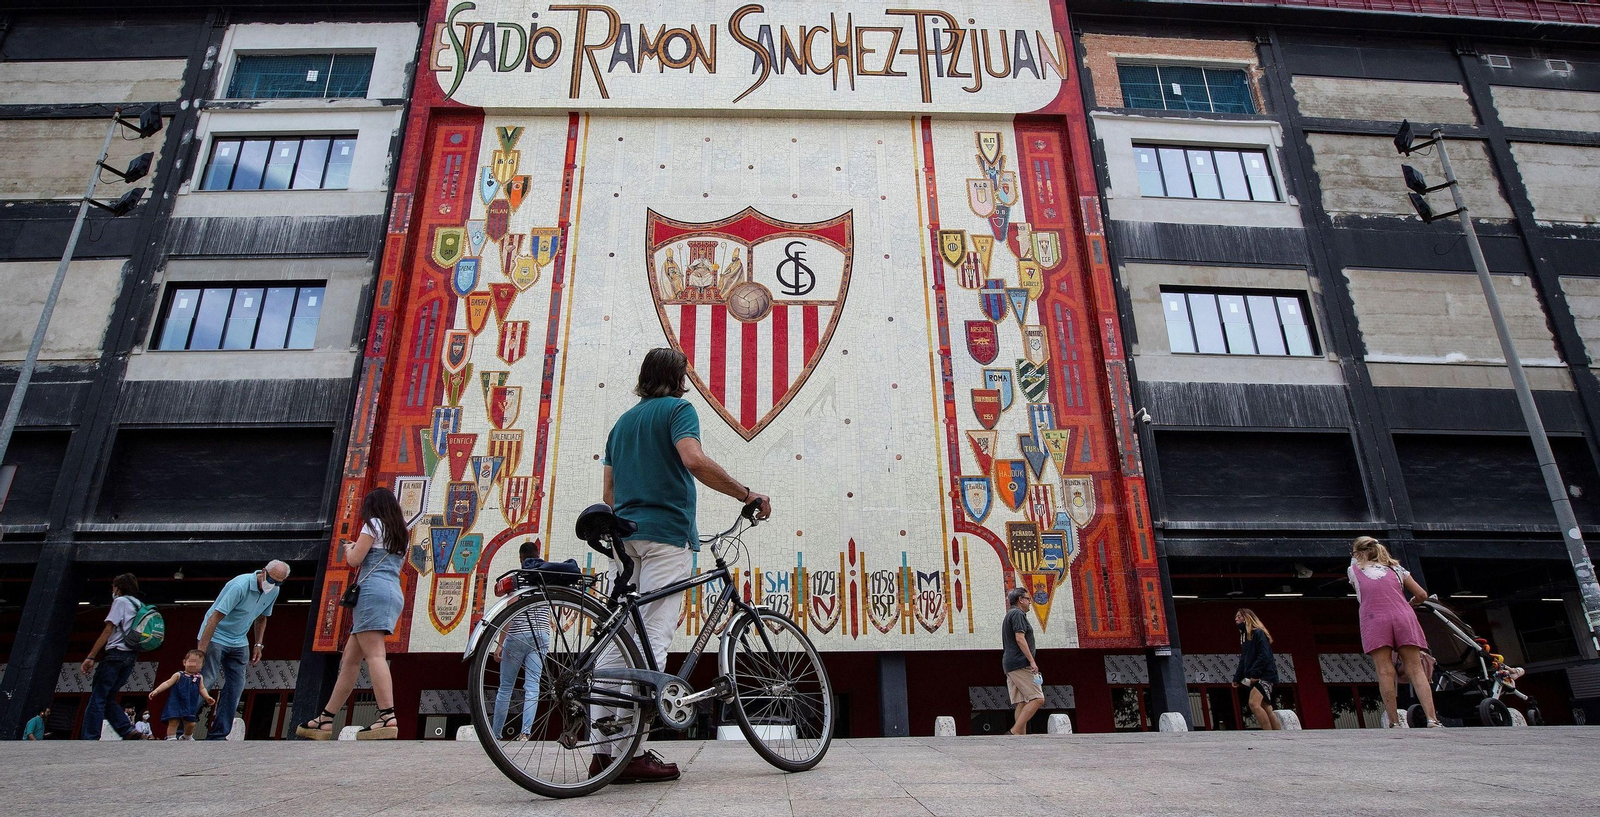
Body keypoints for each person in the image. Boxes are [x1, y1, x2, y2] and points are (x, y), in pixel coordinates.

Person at [589, 347, 771, 782]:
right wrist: (746, 494)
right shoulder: (678, 410)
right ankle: (631, 752)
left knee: (620, 641)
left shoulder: (621, 424)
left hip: (624, 537)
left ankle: (603, 752)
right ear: (678, 377)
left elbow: (609, 493)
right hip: (666, 535)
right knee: (653, 633)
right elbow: (693, 459)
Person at [297, 487, 408, 740]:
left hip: (371, 591)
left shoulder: (373, 524)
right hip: (392, 591)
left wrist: (349, 548)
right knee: (350, 661)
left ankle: (388, 716)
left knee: (376, 655)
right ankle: (325, 719)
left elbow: (355, 560)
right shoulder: (402, 531)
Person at [1349, 536, 1441, 728]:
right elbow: (1422, 594)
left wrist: (1357, 556)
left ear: (1357, 553)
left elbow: (1356, 569)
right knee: (1416, 669)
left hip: (1374, 618)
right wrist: (1411, 603)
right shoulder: (1397, 569)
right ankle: (1432, 718)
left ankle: (1393, 721)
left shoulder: (1354, 570)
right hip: (1403, 616)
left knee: (1385, 671)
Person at [198, 560, 289, 740]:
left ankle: (218, 734)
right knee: (206, 680)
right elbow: (214, 618)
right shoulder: (239, 586)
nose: (274, 585)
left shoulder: (274, 591)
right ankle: (180, 728)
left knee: (236, 686)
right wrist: (201, 651)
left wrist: (258, 644)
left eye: (279, 582)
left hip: (239, 640)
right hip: (216, 636)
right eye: (272, 580)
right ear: (263, 572)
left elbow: (262, 618)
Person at [492, 540, 554, 741]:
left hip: (518, 635)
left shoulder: (518, 578)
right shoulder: (546, 578)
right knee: (532, 685)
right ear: (538, 555)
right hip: (541, 635)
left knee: (506, 687)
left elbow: (510, 610)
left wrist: (500, 643)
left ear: (521, 558)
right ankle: (525, 733)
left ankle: (496, 733)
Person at [78, 573, 144, 739]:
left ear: (118, 587)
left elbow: (108, 629)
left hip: (115, 654)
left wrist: (91, 656)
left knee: (98, 697)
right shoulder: (140, 605)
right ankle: (127, 730)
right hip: (131, 656)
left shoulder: (120, 602)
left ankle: (90, 736)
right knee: (108, 696)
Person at [1002, 587, 1044, 735]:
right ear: (1020, 600)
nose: (1029, 602)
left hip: (1010, 664)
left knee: (1022, 701)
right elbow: (1020, 638)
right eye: (1028, 599)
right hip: (1020, 663)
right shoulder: (1018, 614)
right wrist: (1032, 661)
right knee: (1038, 698)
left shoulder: (1010, 615)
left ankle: (1020, 737)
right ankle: (1014, 731)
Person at [1232, 609, 1282, 731]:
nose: (1236, 618)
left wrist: (1255, 674)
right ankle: (1279, 734)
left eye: (1239, 616)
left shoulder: (1258, 633)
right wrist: (1237, 678)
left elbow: (1264, 655)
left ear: (1247, 617)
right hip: (1256, 675)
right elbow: (1244, 659)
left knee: (1253, 704)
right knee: (1266, 708)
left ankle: (1268, 734)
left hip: (1264, 675)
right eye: (1236, 616)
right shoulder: (1244, 636)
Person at [152, 649, 215, 740]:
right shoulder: (178, 675)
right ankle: (171, 737)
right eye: (191, 662)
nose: (194, 665)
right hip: (176, 702)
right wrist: (157, 691)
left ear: (202, 666)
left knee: (191, 723)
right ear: (184, 662)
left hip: (189, 704)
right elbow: (167, 683)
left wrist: (207, 697)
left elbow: (202, 688)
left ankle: (187, 736)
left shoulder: (199, 678)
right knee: (173, 721)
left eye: (197, 663)